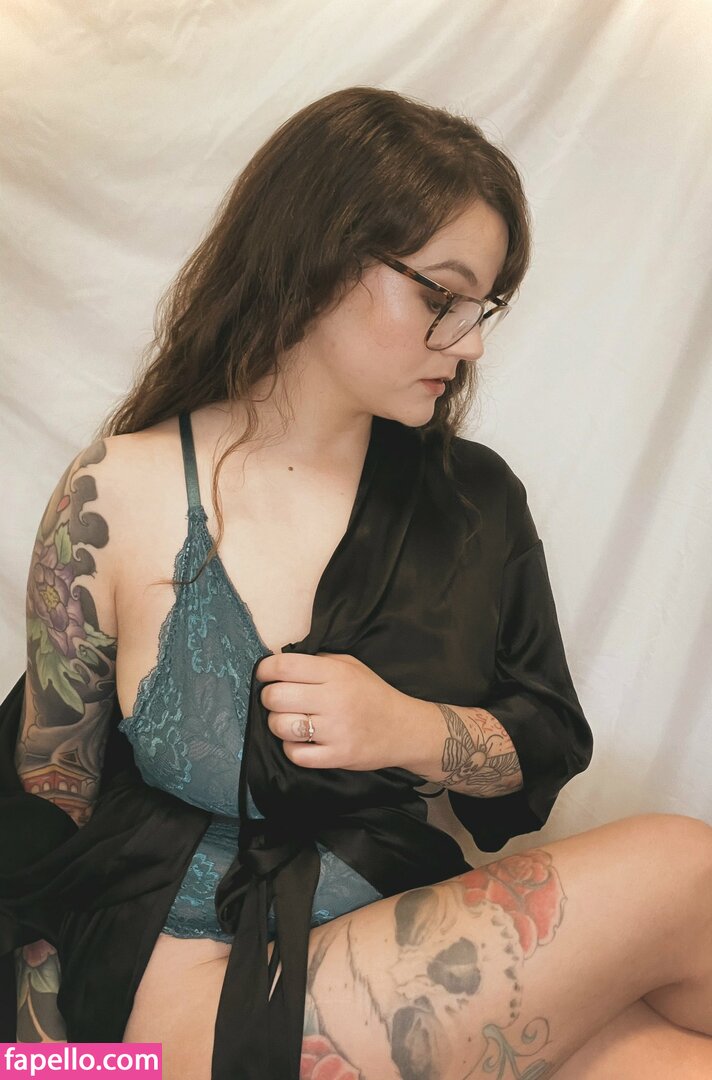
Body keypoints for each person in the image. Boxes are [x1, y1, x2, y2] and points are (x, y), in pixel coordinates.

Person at [2, 85, 711, 1080]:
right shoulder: (114, 492)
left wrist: (407, 729)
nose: (469, 341)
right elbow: (41, 815)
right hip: (187, 1006)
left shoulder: (472, 501)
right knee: (690, 870)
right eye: (440, 297)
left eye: (483, 307)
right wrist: (44, 1067)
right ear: (321, 255)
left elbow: (545, 743)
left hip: (400, 943)